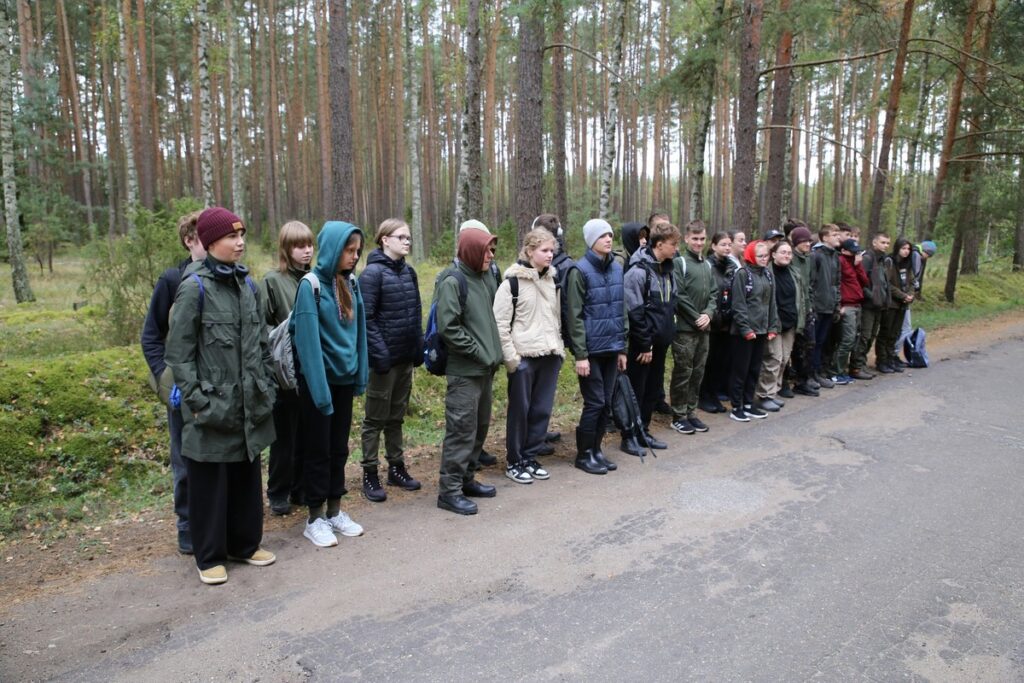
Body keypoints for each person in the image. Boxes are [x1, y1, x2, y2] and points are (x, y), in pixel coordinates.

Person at [165, 207, 277, 585]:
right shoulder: (193, 286)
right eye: (232, 237)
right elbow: (178, 353)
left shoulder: (248, 285)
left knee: (246, 476)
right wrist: (197, 401)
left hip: (248, 403)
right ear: (211, 242)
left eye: (242, 235)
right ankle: (209, 555)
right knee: (209, 484)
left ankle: (244, 545)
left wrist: (267, 385)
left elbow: (261, 343)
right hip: (211, 405)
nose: (240, 242)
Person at [291, 221, 368, 547]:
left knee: (338, 449)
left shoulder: (351, 283)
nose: (354, 257)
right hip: (318, 388)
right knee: (318, 452)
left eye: (357, 251)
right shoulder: (310, 287)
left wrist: (360, 374)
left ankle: (335, 509)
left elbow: (360, 333)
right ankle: (315, 517)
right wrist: (321, 395)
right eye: (349, 251)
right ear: (334, 249)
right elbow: (308, 347)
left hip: (343, 382)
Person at [140, 209, 204, 555]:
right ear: (189, 240)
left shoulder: (225, 278)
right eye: (203, 236)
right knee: (183, 459)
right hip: (181, 387)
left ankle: (214, 520)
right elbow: (151, 337)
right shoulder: (172, 280)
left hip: (214, 386)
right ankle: (187, 525)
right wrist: (167, 382)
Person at [435, 226, 503, 515]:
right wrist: (479, 352)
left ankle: (467, 479)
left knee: (479, 429)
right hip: (465, 371)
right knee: (461, 430)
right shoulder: (452, 281)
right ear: (472, 250)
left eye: (492, 250)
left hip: (485, 370)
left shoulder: (486, 276)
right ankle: (449, 492)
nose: (490, 255)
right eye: (486, 250)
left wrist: (494, 355)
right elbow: (449, 327)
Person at [358, 219, 423, 502]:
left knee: (396, 417)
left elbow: (416, 310)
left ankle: (396, 468)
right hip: (382, 363)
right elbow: (366, 319)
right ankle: (369, 473)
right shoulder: (371, 274)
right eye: (401, 237)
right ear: (385, 239)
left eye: (409, 238)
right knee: (375, 419)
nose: (407, 242)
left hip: (404, 359)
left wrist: (417, 347)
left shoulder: (409, 272)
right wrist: (380, 353)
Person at [493, 228, 564, 483]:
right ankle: (515, 460)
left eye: (551, 251)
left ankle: (530, 456)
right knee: (520, 412)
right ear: (530, 250)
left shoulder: (552, 280)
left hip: (550, 354)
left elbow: (556, 317)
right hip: (524, 358)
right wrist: (513, 361)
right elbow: (500, 325)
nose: (549, 256)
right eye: (544, 250)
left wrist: (558, 348)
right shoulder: (511, 283)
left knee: (541, 410)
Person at [258, 220, 315, 516]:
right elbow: (261, 325)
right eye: (299, 246)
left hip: (311, 370)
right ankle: (278, 491)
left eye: (309, 245)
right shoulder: (272, 281)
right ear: (286, 248)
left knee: (306, 432)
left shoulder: (315, 279)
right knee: (284, 436)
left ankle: (300, 488)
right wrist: (284, 333)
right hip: (282, 372)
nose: (306, 251)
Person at [566, 218, 628, 475]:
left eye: (610, 235)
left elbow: (621, 308)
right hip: (590, 351)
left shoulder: (616, 268)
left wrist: (623, 347)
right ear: (591, 240)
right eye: (602, 235)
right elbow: (574, 316)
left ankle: (597, 450)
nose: (608, 239)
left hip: (612, 348)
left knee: (606, 404)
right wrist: (581, 355)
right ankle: (584, 454)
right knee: (595, 402)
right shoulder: (579, 271)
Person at [623, 221, 679, 451]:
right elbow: (634, 312)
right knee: (637, 390)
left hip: (661, 343)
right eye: (673, 244)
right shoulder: (637, 273)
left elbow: (671, 305)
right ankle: (630, 436)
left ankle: (643, 431)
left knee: (652, 389)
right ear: (659, 244)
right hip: (642, 346)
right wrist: (645, 344)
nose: (676, 248)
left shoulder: (668, 270)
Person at [669, 220, 718, 435]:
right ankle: (678, 414)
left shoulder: (707, 265)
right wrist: (696, 316)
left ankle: (691, 411)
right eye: (695, 239)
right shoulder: (680, 263)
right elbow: (679, 294)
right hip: (685, 330)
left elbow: (714, 294)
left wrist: (708, 314)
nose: (699, 243)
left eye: (702, 239)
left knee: (698, 372)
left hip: (704, 329)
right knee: (683, 372)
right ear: (687, 239)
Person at [728, 240, 778, 422]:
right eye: (760, 256)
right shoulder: (742, 274)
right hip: (744, 333)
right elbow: (738, 305)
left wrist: (772, 326)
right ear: (751, 256)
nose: (765, 259)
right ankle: (736, 406)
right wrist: (745, 329)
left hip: (762, 330)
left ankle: (749, 404)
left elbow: (771, 303)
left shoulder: (768, 275)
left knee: (754, 369)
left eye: (767, 255)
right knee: (740, 370)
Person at [754, 240, 801, 412]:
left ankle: (774, 392)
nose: (787, 255)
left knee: (784, 360)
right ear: (773, 255)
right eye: (783, 252)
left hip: (791, 323)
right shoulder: (767, 273)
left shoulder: (793, 273)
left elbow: (799, 298)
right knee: (773, 359)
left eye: (789, 253)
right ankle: (763, 395)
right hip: (774, 323)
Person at [698, 231, 736, 413]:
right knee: (709, 362)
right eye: (723, 244)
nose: (727, 248)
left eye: (729, 244)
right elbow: (709, 294)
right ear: (713, 246)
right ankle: (704, 396)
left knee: (721, 362)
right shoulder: (708, 266)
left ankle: (713, 395)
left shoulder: (732, 267)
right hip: (712, 322)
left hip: (727, 323)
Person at [850, 232, 891, 379]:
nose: (885, 245)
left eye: (887, 243)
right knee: (864, 335)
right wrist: (871, 296)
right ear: (874, 243)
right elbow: (860, 280)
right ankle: (855, 366)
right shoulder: (867, 258)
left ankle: (862, 363)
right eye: (882, 242)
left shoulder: (883, 260)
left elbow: (884, 283)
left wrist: (885, 299)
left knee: (872, 335)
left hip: (879, 305)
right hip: (868, 305)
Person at [830, 238, 868, 383]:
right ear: (844, 251)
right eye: (852, 252)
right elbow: (837, 283)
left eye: (856, 251)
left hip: (857, 304)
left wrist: (858, 265)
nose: (855, 254)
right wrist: (839, 305)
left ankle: (841, 370)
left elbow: (865, 281)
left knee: (853, 340)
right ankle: (836, 371)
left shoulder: (855, 263)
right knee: (847, 340)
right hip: (847, 305)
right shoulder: (840, 261)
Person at [808, 224, 842, 389]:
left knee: (822, 342)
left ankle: (819, 372)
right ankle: (810, 374)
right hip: (818, 307)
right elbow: (811, 283)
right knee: (813, 342)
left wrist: (837, 304)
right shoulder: (816, 256)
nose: (838, 236)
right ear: (825, 237)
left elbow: (837, 282)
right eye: (834, 234)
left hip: (829, 306)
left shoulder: (835, 256)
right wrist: (812, 306)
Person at [787, 226, 819, 396]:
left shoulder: (808, 259)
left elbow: (809, 286)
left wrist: (811, 307)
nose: (808, 244)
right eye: (804, 241)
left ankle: (805, 378)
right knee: (797, 348)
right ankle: (798, 381)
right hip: (794, 310)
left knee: (809, 345)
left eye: (809, 241)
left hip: (808, 309)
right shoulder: (791, 258)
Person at [877, 238, 916, 373]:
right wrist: (902, 295)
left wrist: (910, 295)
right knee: (885, 333)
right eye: (903, 249)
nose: (906, 252)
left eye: (908, 249)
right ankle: (881, 360)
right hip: (891, 303)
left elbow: (912, 282)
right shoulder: (890, 262)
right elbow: (887, 284)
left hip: (902, 304)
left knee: (895, 333)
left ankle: (890, 357)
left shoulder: (908, 264)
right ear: (897, 248)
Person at [895, 240, 936, 362]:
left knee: (900, 327)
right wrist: (910, 293)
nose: (927, 258)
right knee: (905, 328)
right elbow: (913, 277)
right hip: (903, 297)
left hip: (902, 296)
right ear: (926, 252)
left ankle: (892, 354)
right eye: (928, 255)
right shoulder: (916, 256)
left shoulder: (913, 254)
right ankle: (893, 353)